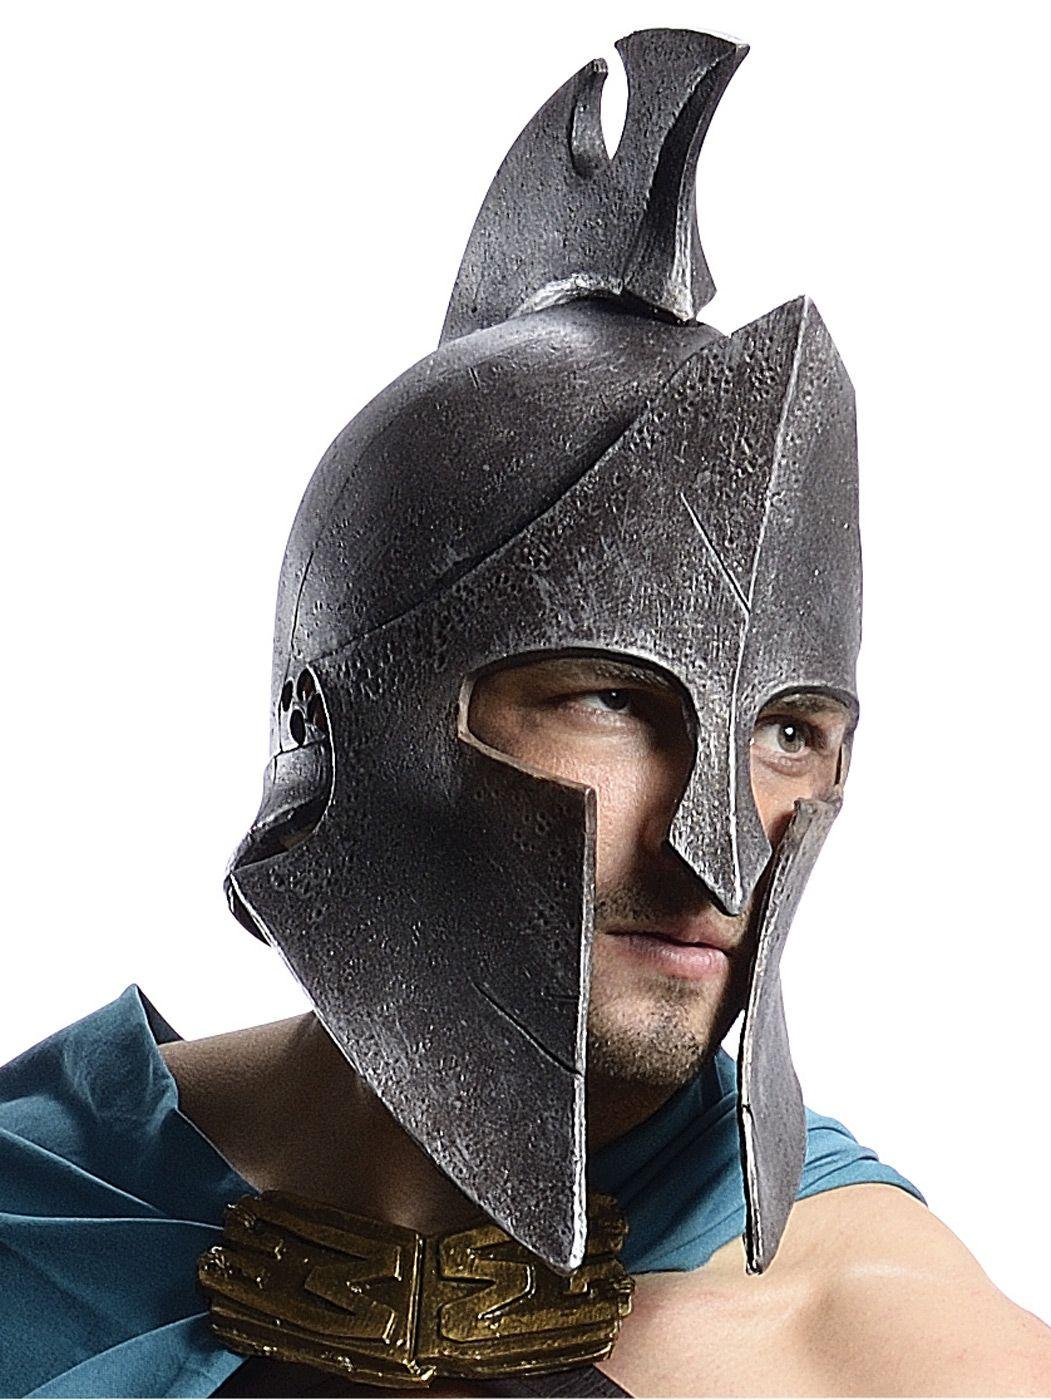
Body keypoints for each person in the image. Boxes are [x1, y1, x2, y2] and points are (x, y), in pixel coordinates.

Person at [2, 26, 1049, 1400]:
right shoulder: (41, 1206)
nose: (718, 852)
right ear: (337, 724)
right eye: (613, 701)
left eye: (789, 733)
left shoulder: (878, 1354)